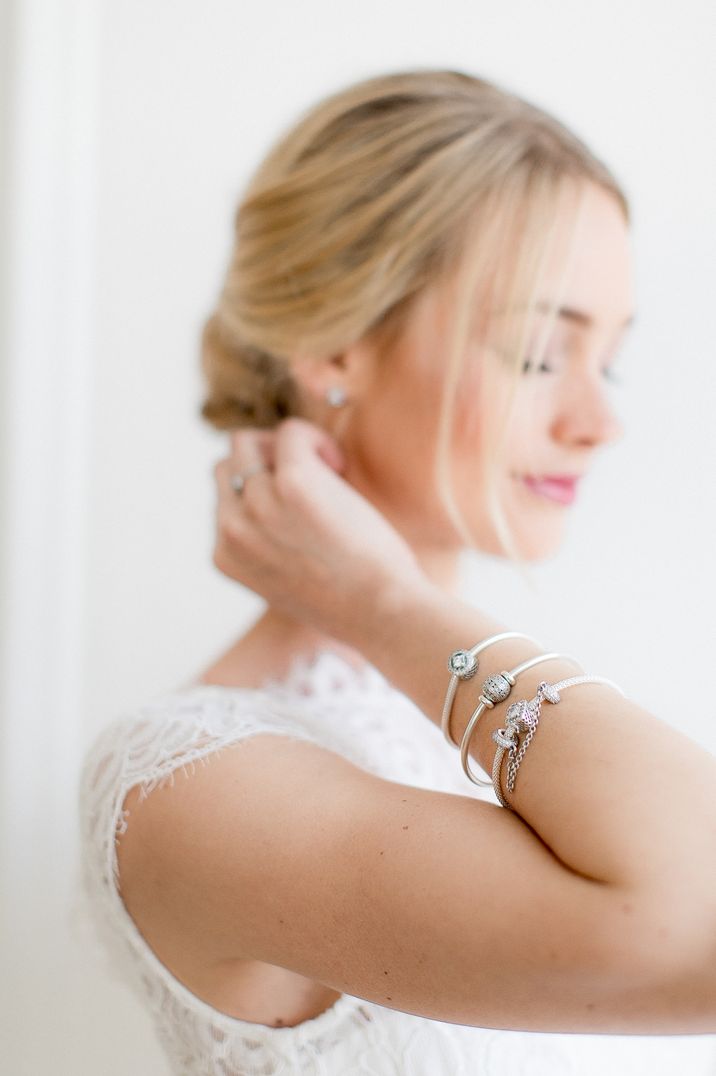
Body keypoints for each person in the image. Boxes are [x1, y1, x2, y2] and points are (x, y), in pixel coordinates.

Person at [79, 69, 716, 1075]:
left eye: (610, 360)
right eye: (540, 354)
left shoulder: (557, 740)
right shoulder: (191, 780)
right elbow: (695, 918)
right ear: (334, 346)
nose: (598, 422)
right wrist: (380, 601)